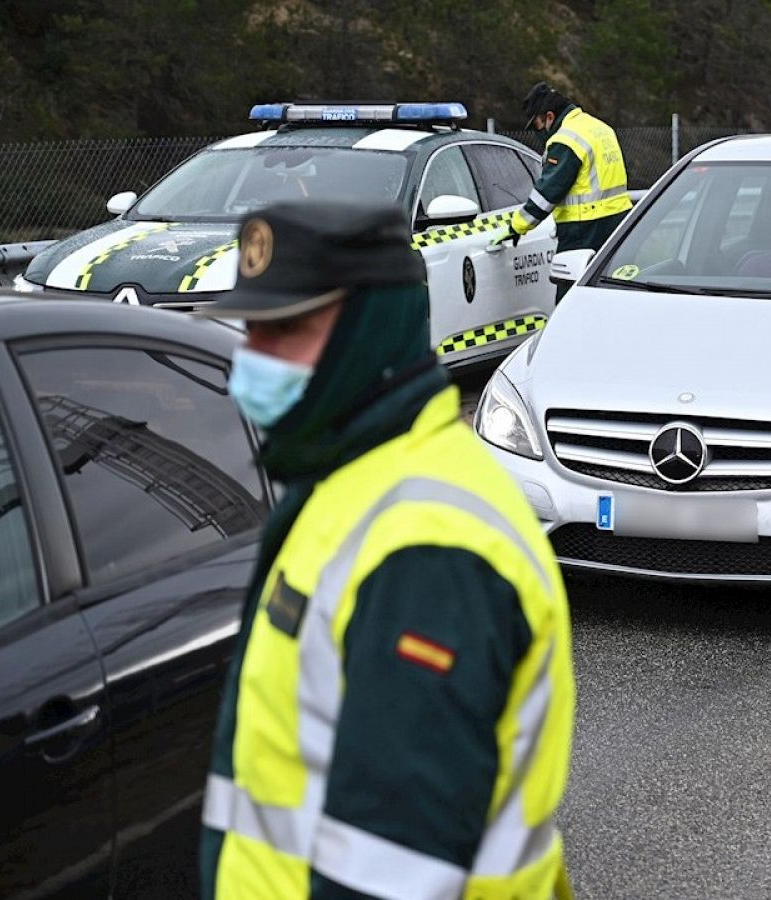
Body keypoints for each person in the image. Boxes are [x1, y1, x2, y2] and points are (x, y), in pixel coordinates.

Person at [196, 201, 575, 899]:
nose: (256, 359)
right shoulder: (352, 480)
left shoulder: (429, 548)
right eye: (253, 330)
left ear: (370, 332)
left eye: (288, 331)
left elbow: (388, 877)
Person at [493, 84, 632, 295]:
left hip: (583, 230)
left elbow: (548, 192)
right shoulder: (599, 128)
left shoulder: (565, 139)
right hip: (619, 222)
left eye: (537, 125)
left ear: (550, 117)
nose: (538, 132)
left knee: (570, 298)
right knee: (608, 293)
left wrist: (517, 227)